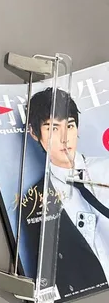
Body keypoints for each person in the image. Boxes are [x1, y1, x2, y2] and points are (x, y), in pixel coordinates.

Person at [21, 87, 109, 298]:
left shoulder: (106, 168)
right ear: (34, 133)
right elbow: (46, 275)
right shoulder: (36, 199)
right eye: (52, 128)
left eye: (69, 126)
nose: (64, 138)